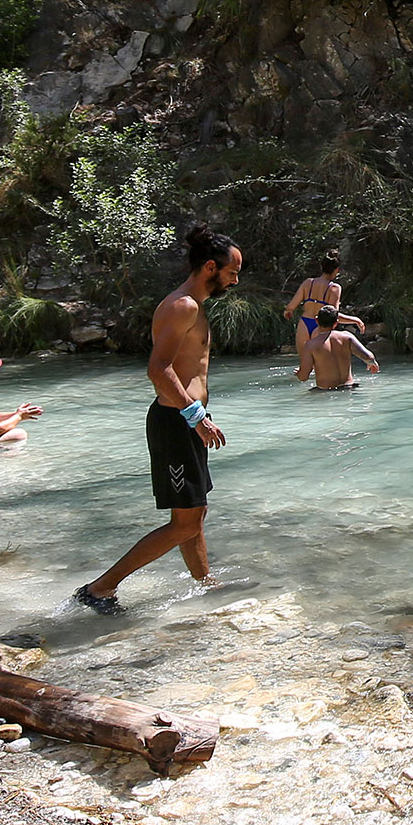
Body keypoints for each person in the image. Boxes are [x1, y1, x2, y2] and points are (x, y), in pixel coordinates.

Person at [75, 223, 243, 614]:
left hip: (188, 420)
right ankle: (99, 589)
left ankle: (206, 584)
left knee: (194, 513)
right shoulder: (181, 306)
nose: (235, 280)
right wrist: (195, 415)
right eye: (232, 272)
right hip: (176, 421)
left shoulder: (194, 307)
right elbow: (158, 368)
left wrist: (198, 416)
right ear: (209, 267)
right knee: (184, 522)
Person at [283, 250, 363, 378]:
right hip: (319, 327)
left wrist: (287, 312)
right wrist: (355, 320)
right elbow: (333, 316)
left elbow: (291, 306)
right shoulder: (334, 288)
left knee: (304, 369)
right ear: (336, 270)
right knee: (320, 369)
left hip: (304, 324)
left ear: (321, 267)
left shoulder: (308, 283)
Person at [297, 307, 380, 390]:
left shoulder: (311, 345)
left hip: (325, 392)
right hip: (349, 388)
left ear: (317, 321)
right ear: (336, 323)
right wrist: (371, 363)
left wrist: (299, 373)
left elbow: (303, 377)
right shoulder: (347, 337)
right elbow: (369, 357)